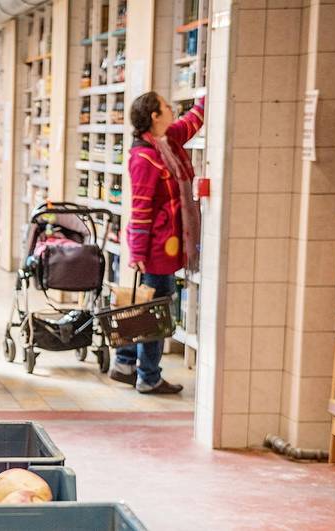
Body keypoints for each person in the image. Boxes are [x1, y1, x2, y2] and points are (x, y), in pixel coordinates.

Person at [111, 92, 204, 394]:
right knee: (157, 309)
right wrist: (137, 252)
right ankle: (148, 377)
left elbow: (191, 122)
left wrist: (207, 97)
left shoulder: (167, 141)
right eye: (166, 106)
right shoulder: (144, 157)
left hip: (167, 244)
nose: (171, 109)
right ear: (154, 115)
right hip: (157, 248)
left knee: (144, 304)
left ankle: (124, 364)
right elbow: (141, 208)